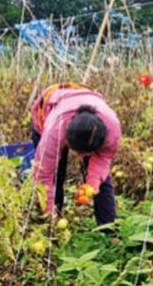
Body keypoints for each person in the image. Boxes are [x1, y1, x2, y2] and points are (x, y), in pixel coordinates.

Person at [31, 83, 121, 226]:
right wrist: (49, 214)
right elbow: (43, 176)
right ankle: (51, 224)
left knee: (103, 182)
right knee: (56, 174)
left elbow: (103, 158)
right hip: (50, 109)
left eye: (84, 153)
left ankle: (110, 229)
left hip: (84, 108)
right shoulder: (54, 133)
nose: (79, 156)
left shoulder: (112, 130)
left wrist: (91, 186)